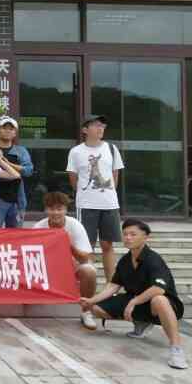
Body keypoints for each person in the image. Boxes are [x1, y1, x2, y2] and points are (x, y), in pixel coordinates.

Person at [80, 219, 188, 370]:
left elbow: (158, 289)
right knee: (97, 308)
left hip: (164, 304)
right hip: (138, 301)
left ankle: (176, 348)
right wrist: (91, 300)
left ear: (145, 237)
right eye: (125, 234)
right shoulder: (125, 260)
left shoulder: (153, 259)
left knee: (159, 300)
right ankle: (141, 323)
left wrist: (133, 302)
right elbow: (113, 286)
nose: (128, 238)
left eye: (133, 234)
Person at [67, 114, 124, 284]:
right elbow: (73, 178)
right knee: (87, 246)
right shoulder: (76, 152)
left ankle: (110, 285)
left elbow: (115, 175)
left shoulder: (111, 149)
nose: (101, 128)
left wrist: (107, 193)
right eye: (96, 125)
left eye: (102, 126)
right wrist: (86, 193)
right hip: (86, 205)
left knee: (108, 245)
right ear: (85, 129)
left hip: (109, 204)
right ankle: (87, 284)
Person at [34, 192, 98, 330]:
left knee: (89, 271)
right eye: (51, 209)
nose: (55, 213)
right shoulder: (39, 227)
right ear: (46, 210)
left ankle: (86, 311)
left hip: (72, 267)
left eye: (59, 209)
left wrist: (68, 244)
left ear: (66, 210)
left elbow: (85, 258)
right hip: (47, 268)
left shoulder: (75, 225)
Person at [0, 116, 33, 228]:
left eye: (11, 129)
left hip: (17, 201)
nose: (8, 131)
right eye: (4, 128)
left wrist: (8, 164)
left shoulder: (21, 151)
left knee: (16, 235)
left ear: (15, 133)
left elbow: (28, 171)